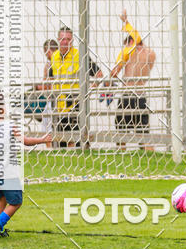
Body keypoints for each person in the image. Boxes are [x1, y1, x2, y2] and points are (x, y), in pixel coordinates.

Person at [0, 90, 51, 238]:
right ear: (4, 108)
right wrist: (42, 140)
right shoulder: (10, 127)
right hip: (8, 174)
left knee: (1, 200)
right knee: (16, 203)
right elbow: (26, 141)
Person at [108, 10, 156, 149]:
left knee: (121, 131)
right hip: (141, 94)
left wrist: (126, 22)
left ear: (130, 42)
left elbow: (115, 72)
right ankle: (147, 154)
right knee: (143, 131)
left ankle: (121, 152)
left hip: (128, 95)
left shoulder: (132, 52)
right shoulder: (151, 54)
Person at [48, 26, 100, 147]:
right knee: (60, 143)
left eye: (68, 39)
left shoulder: (80, 55)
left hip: (75, 105)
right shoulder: (54, 56)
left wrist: (89, 91)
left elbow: (99, 74)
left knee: (76, 142)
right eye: (62, 39)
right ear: (58, 40)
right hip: (58, 107)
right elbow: (50, 78)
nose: (65, 42)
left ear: (72, 40)